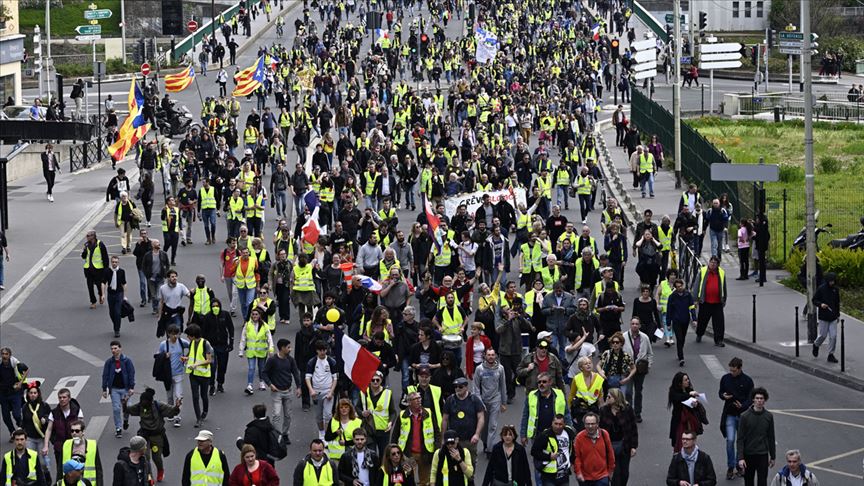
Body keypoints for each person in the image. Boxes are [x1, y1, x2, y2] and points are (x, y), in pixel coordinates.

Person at [122, 387, 180, 482]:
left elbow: (171, 411)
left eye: (145, 404)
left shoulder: (158, 405)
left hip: (157, 435)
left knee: (156, 457)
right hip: (144, 435)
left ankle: (160, 470)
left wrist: (177, 407)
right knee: (145, 457)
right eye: (142, 403)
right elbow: (128, 410)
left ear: (151, 401)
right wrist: (124, 404)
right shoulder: (140, 406)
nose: (143, 406)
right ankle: (149, 477)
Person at [391, 391, 438, 486]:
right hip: (408, 454)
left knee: (424, 481)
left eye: (419, 398)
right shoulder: (402, 415)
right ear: (409, 402)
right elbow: (395, 434)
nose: (418, 401)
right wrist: (393, 449)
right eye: (415, 399)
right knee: (407, 479)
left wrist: (437, 448)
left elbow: (437, 432)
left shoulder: (428, 413)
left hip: (425, 453)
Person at [718, 357, 754, 480]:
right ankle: (730, 466)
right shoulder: (725, 378)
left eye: (734, 371)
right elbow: (721, 392)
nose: (732, 373)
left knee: (741, 441)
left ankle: (740, 464)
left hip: (743, 415)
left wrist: (743, 405)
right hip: (730, 414)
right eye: (731, 370)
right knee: (730, 441)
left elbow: (751, 398)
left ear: (740, 369)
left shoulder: (748, 381)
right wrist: (723, 396)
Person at [262, 338, 303, 445]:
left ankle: (285, 434)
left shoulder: (290, 360)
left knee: (288, 415)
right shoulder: (272, 360)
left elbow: (295, 373)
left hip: (288, 391)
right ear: (282, 348)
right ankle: (276, 435)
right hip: (277, 392)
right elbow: (264, 373)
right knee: (276, 414)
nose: (290, 349)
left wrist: (299, 387)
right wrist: (270, 384)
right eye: (288, 347)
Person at [441, 377, 486, 469]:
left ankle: (470, 480)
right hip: (454, 441)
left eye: (460, 386)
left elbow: (481, 417)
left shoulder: (474, 399)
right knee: (453, 463)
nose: (457, 389)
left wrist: (477, 434)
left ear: (466, 387)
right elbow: (445, 419)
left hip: (470, 439)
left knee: (471, 462)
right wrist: (443, 438)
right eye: (456, 386)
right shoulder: (450, 400)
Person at [599, 388, 638, 486]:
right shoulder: (603, 410)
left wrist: (633, 446)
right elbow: (600, 430)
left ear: (616, 398)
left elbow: (633, 428)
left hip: (625, 445)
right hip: (609, 446)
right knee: (615, 474)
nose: (607, 398)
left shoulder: (627, 409)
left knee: (624, 473)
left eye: (609, 396)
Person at [519, 371, 570, 447]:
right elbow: (525, 416)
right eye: (539, 382)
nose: (541, 384)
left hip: (556, 434)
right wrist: (523, 434)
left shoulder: (559, 394)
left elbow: (566, 414)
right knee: (538, 457)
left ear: (550, 382)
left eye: (544, 382)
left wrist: (570, 431)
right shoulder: (531, 395)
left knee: (556, 457)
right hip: (537, 434)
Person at [737, 388, 776, 486]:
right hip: (748, 454)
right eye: (757, 398)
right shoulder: (744, 416)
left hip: (762, 454)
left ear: (764, 400)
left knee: (762, 481)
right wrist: (741, 458)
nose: (759, 401)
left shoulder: (768, 416)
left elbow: (771, 437)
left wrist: (773, 456)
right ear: (753, 400)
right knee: (748, 481)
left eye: (761, 398)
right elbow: (740, 439)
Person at [42, 388, 83, 480]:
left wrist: (81, 444)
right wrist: (46, 446)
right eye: (60, 397)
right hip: (60, 447)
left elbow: (81, 429)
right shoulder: (54, 413)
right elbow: (49, 429)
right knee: (61, 471)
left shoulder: (76, 411)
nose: (62, 399)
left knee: (75, 471)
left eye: (64, 397)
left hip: (74, 447)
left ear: (69, 398)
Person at [471, 348, 506, 454]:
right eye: (489, 355)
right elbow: (476, 387)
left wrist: (503, 402)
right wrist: (478, 403)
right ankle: (486, 443)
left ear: (495, 356)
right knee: (484, 427)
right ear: (485, 356)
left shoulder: (500, 369)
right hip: (483, 400)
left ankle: (490, 450)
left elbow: (502, 386)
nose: (491, 357)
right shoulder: (479, 369)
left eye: (492, 355)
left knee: (493, 426)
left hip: (495, 399)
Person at [530, 413, 576, 486]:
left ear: (564, 425)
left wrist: (573, 461)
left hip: (564, 475)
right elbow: (534, 452)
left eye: (560, 424)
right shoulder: (545, 435)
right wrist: (549, 456)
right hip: (549, 476)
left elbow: (571, 448)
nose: (558, 426)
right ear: (552, 423)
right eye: (556, 424)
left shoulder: (568, 433)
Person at [621, 317, 653, 422]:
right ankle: (629, 412)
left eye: (636, 324)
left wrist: (648, 365)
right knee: (628, 392)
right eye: (633, 323)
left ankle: (638, 413)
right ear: (630, 325)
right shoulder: (624, 337)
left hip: (640, 369)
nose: (634, 325)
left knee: (638, 391)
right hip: (628, 369)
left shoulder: (645, 337)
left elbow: (650, 353)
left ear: (639, 325)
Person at [101, 341, 135, 439]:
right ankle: (118, 428)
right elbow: (105, 375)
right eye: (112, 349)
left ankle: (125, 420)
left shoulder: (127, 361)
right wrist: (104, 389)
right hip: (114, 389)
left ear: (120, 348)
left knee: (128, 407)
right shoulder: (109, 362)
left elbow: (131, 374)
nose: (113, 350)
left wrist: (131, 387)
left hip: (125, 389)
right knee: (116, 409)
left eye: (115, 348)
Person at [358, 371, 397, 458]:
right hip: (369, 429)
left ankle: (381, 471)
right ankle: (373, 471)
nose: (375, 382)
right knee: (371, 455)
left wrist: (391, 422)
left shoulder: (387, 393)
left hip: (383, 429)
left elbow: (393, 412)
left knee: (384, 455)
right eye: (373, 380)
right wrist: (362, 413)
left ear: (381, 380)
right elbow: (357, 407)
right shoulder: (363, 393)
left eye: (377, 380)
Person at [305, 341, 338, 441]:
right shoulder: (312, 362)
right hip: (316, 393)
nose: (323, 352)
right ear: (317, 351)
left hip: (328, 392)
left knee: (328, 415)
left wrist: (331, 392)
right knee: (319, 416)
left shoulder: (332, 362)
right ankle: (321, 432)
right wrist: (311, 390)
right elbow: (307, 377)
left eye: (324, 350)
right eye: (320, 350)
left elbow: (335, 378)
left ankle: (327, 436)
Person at [573, 412, 615, 486]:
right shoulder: (579, 438)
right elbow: (577, 457)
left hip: (602, 476)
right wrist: (578, 472)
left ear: (597, 424)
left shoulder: (604, 435)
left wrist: (610, 471)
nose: (590, 426)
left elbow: (610, 454)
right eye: (587, 424)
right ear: (584, 424)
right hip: (585, 478)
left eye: (592, 424)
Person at [239, 307, 274, 395]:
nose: (254, 316)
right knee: (251, 368)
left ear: (260, 315)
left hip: (262, 351)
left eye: (256, 314)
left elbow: (269, 338)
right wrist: (241, 351)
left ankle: (261, 382)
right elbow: (243, 338)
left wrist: (271, 349)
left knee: (261, 368)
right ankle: (249, 385)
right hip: (251, 352)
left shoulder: (265, 325)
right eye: (253, 314)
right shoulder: (247, 325)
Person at [668, 372, 705, 453]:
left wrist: (695, 404)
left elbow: (693, 404)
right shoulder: (674, 392)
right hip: (679, 421)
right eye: (685, 380)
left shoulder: (690, 390)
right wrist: (689, 395)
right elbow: (679, 398)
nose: (688, 381)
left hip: (689, 421)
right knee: (679, 443)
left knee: (690, 443)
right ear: (680, 383)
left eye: (688, 379)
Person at [694, 256, 727, 347]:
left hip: (717, 302)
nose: (712, 264)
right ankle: (699, 334)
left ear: (717, 265)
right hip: (705, 302)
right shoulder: (703, 271)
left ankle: (718, 340)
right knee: (702, 321)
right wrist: (695, 299)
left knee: (719, 322)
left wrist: (724, 299)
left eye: (715, 263)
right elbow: (697, 285)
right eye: (711, 262)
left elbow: (724, 287)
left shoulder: (721, 272)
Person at [59, 419, 102, 485]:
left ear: (83, 432)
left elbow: (98, 469)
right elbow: (60, 468)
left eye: (77, 431)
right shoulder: (66, 445)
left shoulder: (92, 445)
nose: (74, 433)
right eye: (72, 431)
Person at [596, 332, 636, 400]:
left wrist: (628, 378)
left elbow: (634, 368)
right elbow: (598, 365)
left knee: (620, 401)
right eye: (613, 342)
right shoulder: (607, 353)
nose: (615, 344)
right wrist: (601, 372)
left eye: (617, 342)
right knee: (608, 400)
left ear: (621, 344)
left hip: (621, 381)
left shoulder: (626, 355)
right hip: (608, 380)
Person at [666, 279, 697, 367]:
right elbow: (669, 310)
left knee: (683, 338)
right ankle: (681, 357)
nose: (680, 288)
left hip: (685, 320)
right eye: (678, 287)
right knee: (679, 338)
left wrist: (694, 319)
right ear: (675, 288)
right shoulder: (672, 297)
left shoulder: (688, 295)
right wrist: (668, 323)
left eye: (681, 286)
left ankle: (680, 350)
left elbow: (692, 307)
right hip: (676, 321)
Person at [812, 272, 840, 364]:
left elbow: (837, 303)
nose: (832, 283)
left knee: (833, 336)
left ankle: (831, 354)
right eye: (831, 281)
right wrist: (821, 304)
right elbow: (814, 300)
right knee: (823, 335)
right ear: (827, 281)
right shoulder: (821, 289)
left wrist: (838, 315)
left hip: (833, 317)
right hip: (823, 316)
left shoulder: (836, 290)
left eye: (833, 281)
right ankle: (816, 345)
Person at [81, 231, 109, 309]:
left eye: (88, 236)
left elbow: (105, 257)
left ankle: (100, 294)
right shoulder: (86, 245)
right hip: (88, 269)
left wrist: (106, 269)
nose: (87, 237)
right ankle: (93, 302)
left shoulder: (100, 245)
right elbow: (83, 257)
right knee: (90, 286)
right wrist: (84, 251)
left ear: (93, 236)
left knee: (99, 285)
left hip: (98, 269)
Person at [104, 256, 128, 338]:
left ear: (118, 263)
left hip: (119, 293)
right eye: (113, 262)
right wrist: (103, 294)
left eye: (116, 262)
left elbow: (124, 283)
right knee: (111, 312)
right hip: (110, 294)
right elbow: (103, 283)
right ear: (111, 262)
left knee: (117, 312)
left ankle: (117, 329)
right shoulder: (107, 271)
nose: (114, 263)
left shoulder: (121, 271)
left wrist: (125, 296)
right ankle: (116, 323)